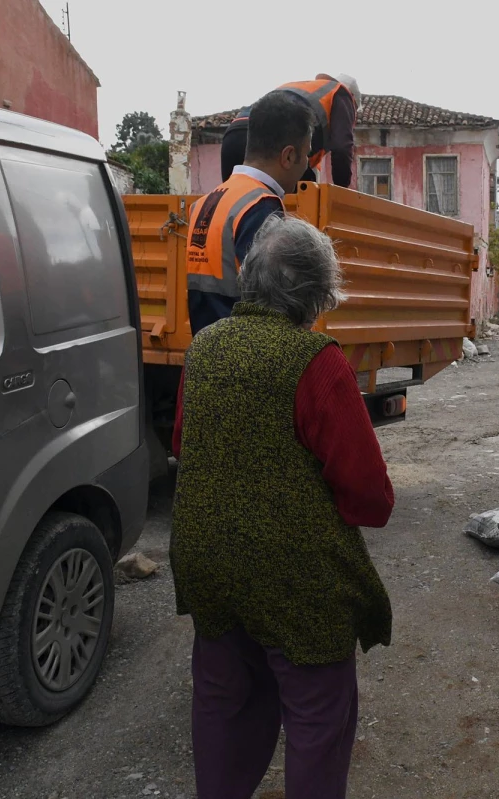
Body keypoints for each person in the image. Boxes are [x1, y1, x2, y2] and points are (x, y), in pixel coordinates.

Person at [170, 214, 394, 799]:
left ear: (249, 278)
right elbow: (370, 497)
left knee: (222, 701)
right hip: (294, 579)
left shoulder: (204, 349)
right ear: (317, 293)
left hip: (207, 562)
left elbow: (183, 446)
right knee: (318, 717)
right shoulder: (316, 360)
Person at [172, 88, 315, 458]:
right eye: (306, 154)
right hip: (248, 379)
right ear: (288, 155)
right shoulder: (261, 206)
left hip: (209, 362)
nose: (308, 167)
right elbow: (273, 308)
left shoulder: (210, 200)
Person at [221, 74, 361, 188]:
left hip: (233, 136)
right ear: (353, 100)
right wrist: (342, 193)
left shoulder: (303, 88)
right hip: (272, 139)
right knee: (304, 200)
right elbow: (342, 147)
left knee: (233, 202)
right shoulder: (341, 93)